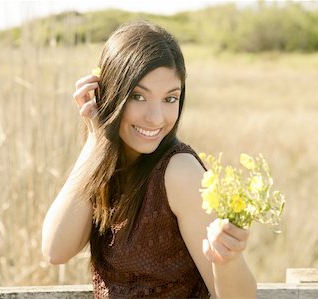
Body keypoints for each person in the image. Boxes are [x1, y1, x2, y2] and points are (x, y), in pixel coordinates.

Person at [42, 21, 257, 298]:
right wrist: (97, 143)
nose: (156, 118)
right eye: (138, 96)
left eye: (170, 99)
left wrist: (228, 259)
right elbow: (55, 250)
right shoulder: (107, 163)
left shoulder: (179, 173)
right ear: (108, 94)